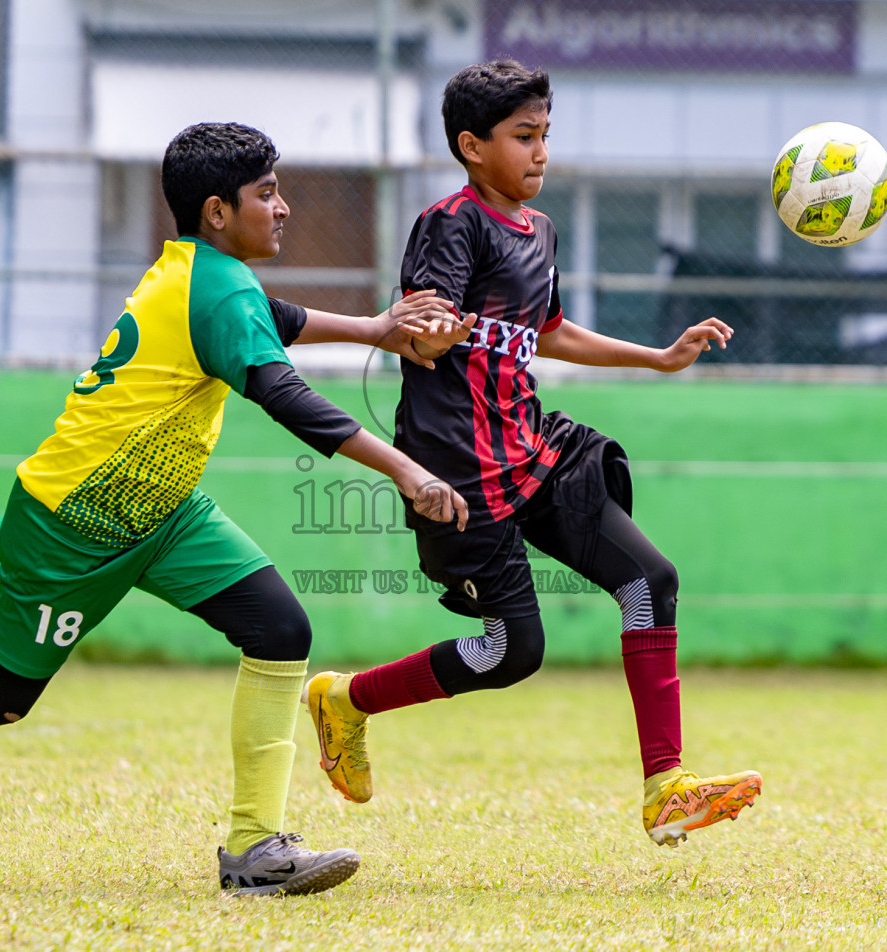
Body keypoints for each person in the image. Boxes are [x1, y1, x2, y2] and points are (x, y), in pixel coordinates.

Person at [0, 122, 468, 897]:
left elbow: (271, 319)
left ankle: (255, 849)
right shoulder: (215, 286)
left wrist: (376, 330)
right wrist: (407, 471)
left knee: (281, 629)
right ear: (218, 211)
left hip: (163, 513)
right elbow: (285, 396)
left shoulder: (205, 273)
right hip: (71, 523)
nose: (283, 207)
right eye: (267, 193)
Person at [303, 60, 761, 847]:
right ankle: (347, 700)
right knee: (513, 652)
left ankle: (666, 787)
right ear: (471, 146)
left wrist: (656, 356)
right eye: (524, 137)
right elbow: (417, 328)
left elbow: (549, 332)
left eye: (545, 134)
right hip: (459, 470)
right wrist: (426, 334)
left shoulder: (538, 229)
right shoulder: (453, 223)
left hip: (534, 450)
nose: (541, 151)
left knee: (650, 579)